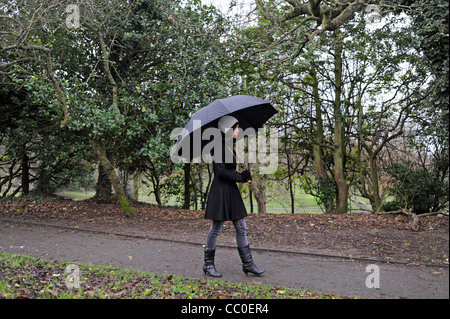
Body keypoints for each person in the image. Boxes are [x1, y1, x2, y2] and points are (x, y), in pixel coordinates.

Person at [203, 115, 265, 277]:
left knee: (241, 227)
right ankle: (208, 265)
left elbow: (231, 172)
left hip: (231, 192)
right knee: (216, 229)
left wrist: (243, 176)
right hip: (220, 192)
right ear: (228, 129)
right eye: (236, 127)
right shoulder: (217, 147)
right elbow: (220, 172)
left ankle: (248, 264)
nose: (238, 130)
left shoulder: (231, 146)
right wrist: (239, 177)